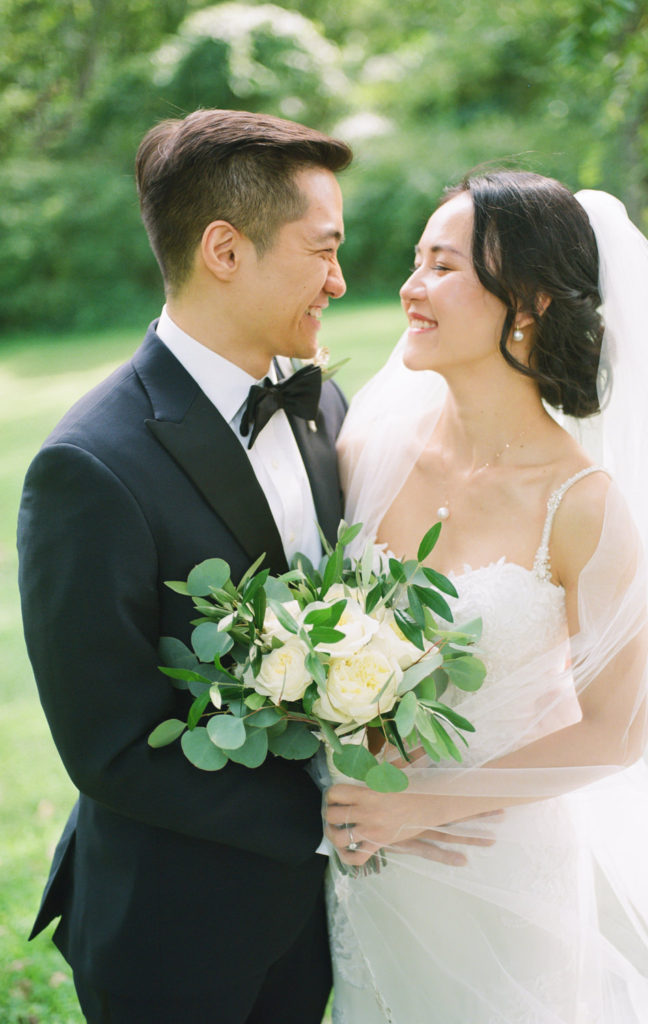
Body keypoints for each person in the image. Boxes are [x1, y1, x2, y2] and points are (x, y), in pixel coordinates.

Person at [322, 171, 648, 1022]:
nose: (411, 288)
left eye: (441, 267)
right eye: (416, 261)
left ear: (528, 303)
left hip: (500, 868)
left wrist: (422, 805)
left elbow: (616, 732)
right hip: (365, 859)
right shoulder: (368, 446)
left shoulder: (583, 504)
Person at [17, 108, 352, 1024]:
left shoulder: (320, 400)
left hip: (318, 921)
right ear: (224, 250)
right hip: (175, 930)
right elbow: (111, 746)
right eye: (322, 250)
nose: (340, 279)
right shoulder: (89, 467)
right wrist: (327, 822)